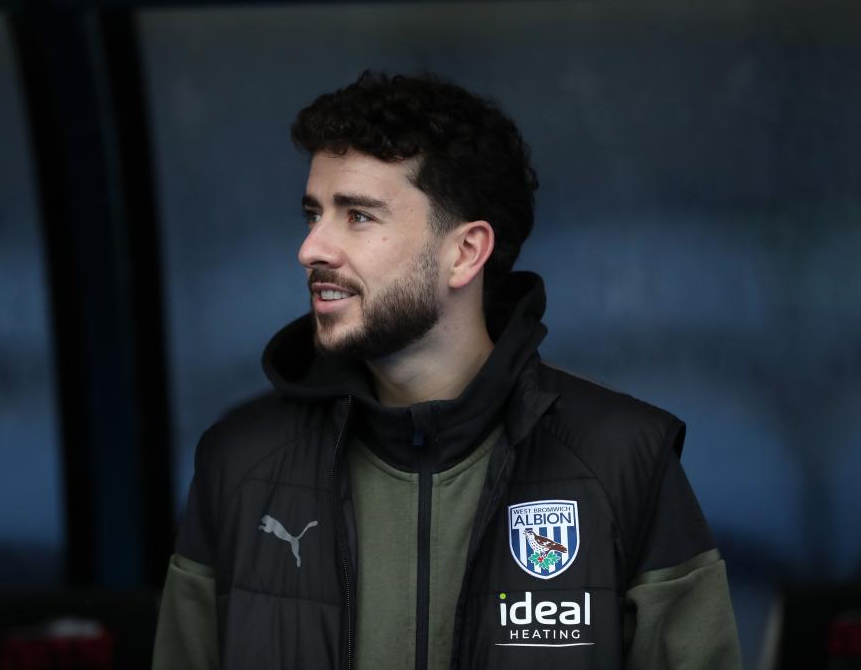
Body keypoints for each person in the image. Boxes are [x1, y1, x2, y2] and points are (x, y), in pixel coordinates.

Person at [152, 71, 742, 670]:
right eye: (314, 214)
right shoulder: (240, 464)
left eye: (357, 216)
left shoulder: (624, 460)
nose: (312, 249)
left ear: (464, 252)